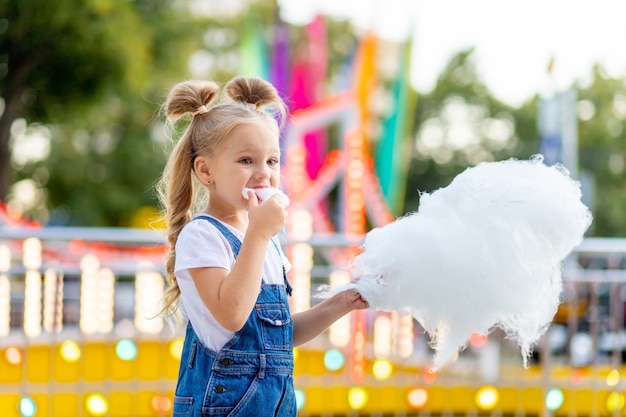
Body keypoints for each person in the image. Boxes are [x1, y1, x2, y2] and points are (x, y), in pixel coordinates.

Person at [156, 75, 369, 417]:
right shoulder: (202, 236)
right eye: (245, 161)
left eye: (271, 161)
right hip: (223, 406)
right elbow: (233, 315)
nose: (263, 174)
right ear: (206, 170)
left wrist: (340, 303)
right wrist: (257, 234)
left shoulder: (265, 241)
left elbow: (280, 336)